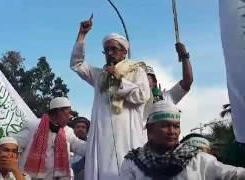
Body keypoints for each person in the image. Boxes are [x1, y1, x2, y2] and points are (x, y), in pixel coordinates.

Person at [70, 16, 150, 180]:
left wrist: (119, 80)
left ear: (124, 52)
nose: (109, 53)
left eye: (113, 49)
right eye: (106, 50)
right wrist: (82, 35)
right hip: (102, 136)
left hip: (128, 135)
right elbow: (77, 64)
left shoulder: (137, 71)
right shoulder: (100, 75)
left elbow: (142, 96)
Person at [120, 100, 245, 179]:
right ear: (150, 129)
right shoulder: (132, 163)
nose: (172, 131)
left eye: (176, 126)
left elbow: (232, 174)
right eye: (165, 125)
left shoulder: (197, 159)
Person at [15, 97, 86, 180]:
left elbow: (81, 147)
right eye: (68, 112)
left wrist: (101, 146)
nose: (70, 116)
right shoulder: (33, 125)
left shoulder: (67, 131)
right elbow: (13, 145)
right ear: (59, 112)